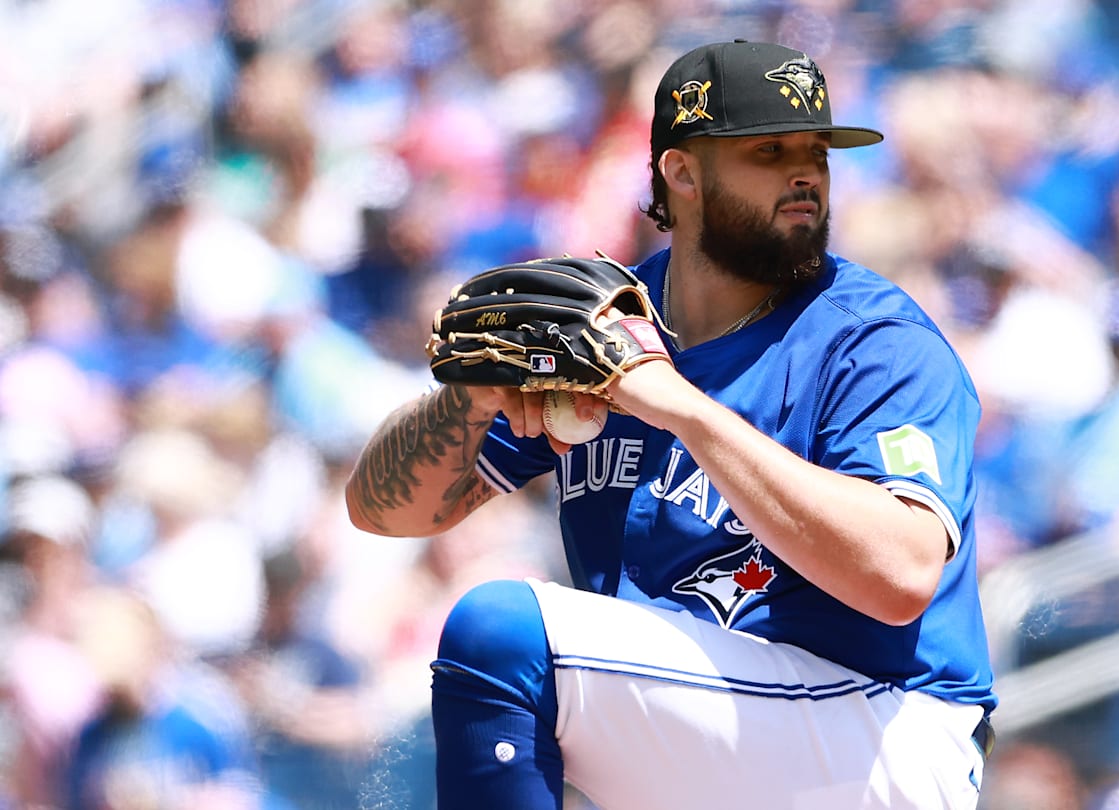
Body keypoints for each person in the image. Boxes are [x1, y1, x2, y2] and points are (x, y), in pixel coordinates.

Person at [345, 39, 996, 810]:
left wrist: (675, 402)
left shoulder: (875, 341)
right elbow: (381, 511)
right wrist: (472, 399)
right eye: (769, 150)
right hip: (703, 719)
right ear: (681, 172)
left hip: (878, 725)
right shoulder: (599, 320)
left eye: (817, 151)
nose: (805, 175)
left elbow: (901, 576)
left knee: (500, 631)